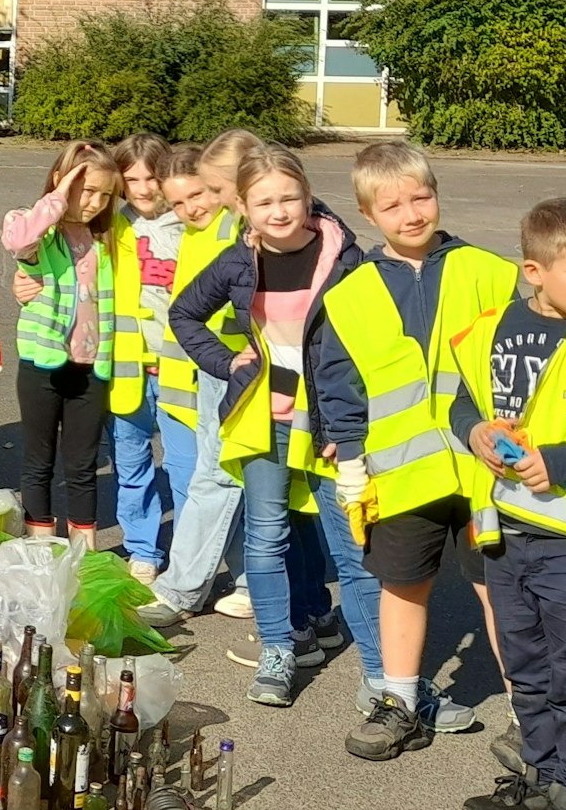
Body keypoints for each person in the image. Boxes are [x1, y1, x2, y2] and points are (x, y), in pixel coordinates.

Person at [170, 145, 395, 711]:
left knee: (354, 549)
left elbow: (379, 337)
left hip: (332, 421)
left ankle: (380, 673)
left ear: (307, 195)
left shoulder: (347, 258)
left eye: (289, 197)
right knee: (265, 537)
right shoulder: (237, 261)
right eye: (264, 201)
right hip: (265, 420)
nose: (278, 211)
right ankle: (278, 650)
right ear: (243, 206)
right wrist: (227, 362)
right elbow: (184, 314)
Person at [315, 142, 518, 762]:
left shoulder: (489, 272)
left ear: (437, 194)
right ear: (367, 214)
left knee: (501, 590)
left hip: (486, 470)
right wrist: (351, 458)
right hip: (402, 474)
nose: (411, 214)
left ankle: (529, 713)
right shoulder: (351, 293)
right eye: (392, 205)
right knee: (403, 587)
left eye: (420, 197)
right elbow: (337, 381)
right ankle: (400, 701)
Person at [450, 198, 566, 810]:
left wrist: (565, 462)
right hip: (508, 532)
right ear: (534, 271)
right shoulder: (490, 330)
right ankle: (543, 777)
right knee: (526, 669)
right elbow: (463, 399)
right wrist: (474, 429)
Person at [138, 147, 253, 626]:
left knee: (222, 478)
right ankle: (239, 583)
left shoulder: (233, 226)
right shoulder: (193, 233)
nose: (190, 208)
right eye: (178, 203)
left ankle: (188, 589)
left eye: (199, 194)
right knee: (225, 478)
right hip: (211, 370)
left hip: (239, 370)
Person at [2, 141, 122, 547]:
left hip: (92, 369)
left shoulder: (105, 239)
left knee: (82, 466)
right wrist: (58, 195)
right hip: (43, 367)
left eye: (104, 195)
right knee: (39, 461)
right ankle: (41, 550)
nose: (94, 203)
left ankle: (84, 556)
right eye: (86, 191)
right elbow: (19, 241)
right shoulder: (37, 229)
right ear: (62, 181)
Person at [105, 133, 185, 582]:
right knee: (131, 462)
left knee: (183, 467)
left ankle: (189, 556)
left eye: (151, 178)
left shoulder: (188, 224)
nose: (142, 189)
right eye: (131, 179)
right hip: (127, 365)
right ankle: (143, 549)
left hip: (179, 365)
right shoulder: (113, 225)